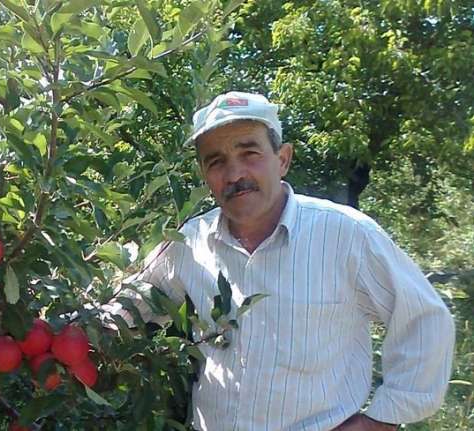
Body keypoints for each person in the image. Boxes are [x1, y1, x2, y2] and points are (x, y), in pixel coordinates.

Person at [120, 92, 455, 430]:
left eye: (249, 153)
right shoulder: (189, 243)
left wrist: (380, 420)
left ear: (282, 159)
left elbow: (425, 321)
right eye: (216, 161)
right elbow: (124, 308)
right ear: (204, 173)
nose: (235, 173)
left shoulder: (346, 234)